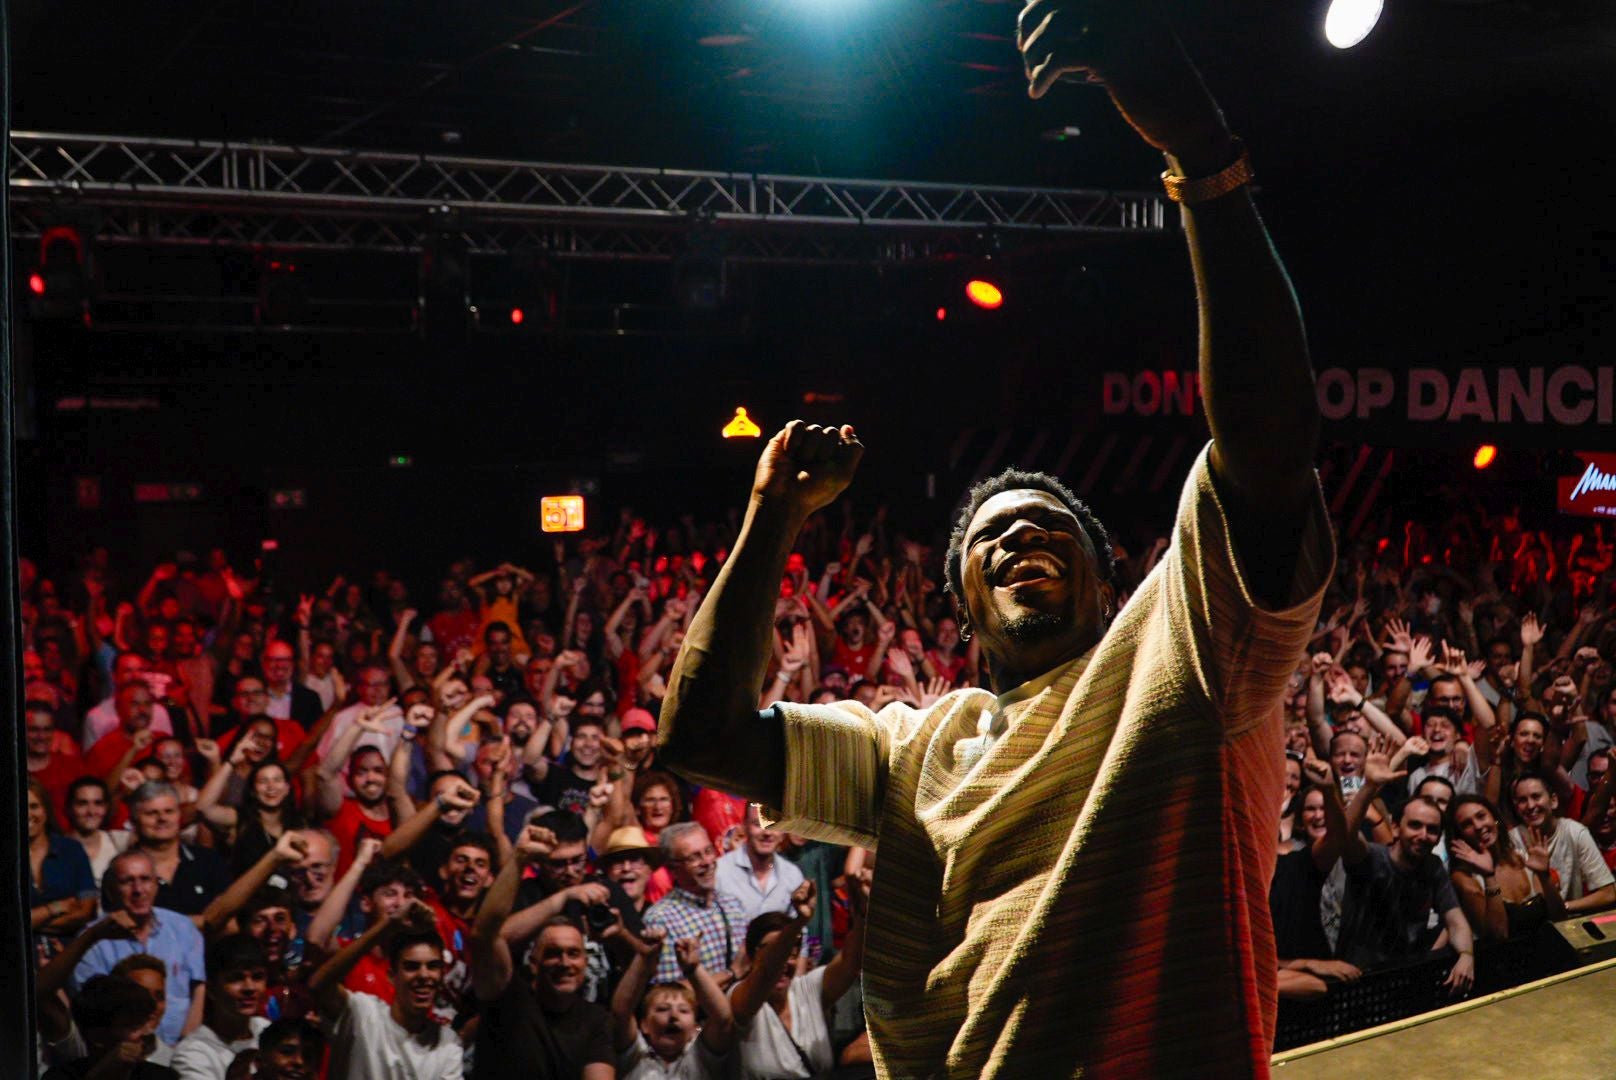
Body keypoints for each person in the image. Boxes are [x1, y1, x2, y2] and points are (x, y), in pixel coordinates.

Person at [658, 8, 1332, 1072]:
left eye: (1051, 526)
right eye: (989, 536)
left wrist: (1200, 157)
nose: (1020, 530)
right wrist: (771, 516)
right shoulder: (908, 748)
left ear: (1115, 580)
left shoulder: (1187, 656)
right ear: (961, 607)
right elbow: (698, 737)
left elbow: (1269, 440)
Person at [470, 825, 615, 1080]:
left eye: (573, 953)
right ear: (533, 963)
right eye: (552, 954)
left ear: (586, 963)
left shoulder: (595, 1019)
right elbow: (485, 935)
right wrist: (519, 859)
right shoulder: (508, 999)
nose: (564, 962)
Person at [307, 901, 463, 1080]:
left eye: (433, 966)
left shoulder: (447, 1044)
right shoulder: (362, 1014)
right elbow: (319, 985)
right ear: (392, 976)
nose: (424, 975)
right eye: (412, 967)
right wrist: (389, 924)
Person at [729, 878, 867, 1079]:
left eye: (791, 954)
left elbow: (850, 960)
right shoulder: (739, 996)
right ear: (751, 957)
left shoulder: (806, 988)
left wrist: (863, 913)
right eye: (771, 951)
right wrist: (799, 923)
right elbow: (768, 972)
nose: (783, 963)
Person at [74, 852, 207, 1050]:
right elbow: (94, 1009)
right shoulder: (92, 939)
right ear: (111, 891)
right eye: (127, 881)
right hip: (122, 1052)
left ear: (156, 884)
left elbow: (198, 991)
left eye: (145, 879)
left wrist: (186, 1045)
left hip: (182, 1048)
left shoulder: (183, 927)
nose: (138, 890)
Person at [610, 926, 735, 1080]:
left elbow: (722, 1018)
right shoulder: (634, 1057)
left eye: (683, 1010)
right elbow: (621, 1013)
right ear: (644, 1025)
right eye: (662, 1009)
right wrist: (643, 957)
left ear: (696, 1027)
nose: (674, 1016)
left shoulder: (703, 1058)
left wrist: (693, 969)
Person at [1447, 794, 1566, 940]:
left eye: (1481, 816)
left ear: (1494, 819)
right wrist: (1489, 876)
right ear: (1460, 836)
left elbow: (1559, 917)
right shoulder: (1463, 878)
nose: (1478, 826)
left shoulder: (1521, 857)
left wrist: (1544, 875)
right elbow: (1499, 935)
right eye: (1467, 824)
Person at [643, 823, 747, 988]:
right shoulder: (661, 918)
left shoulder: (732, 905)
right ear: (673, 869)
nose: (706, 862)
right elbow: (671, 994)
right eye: (694, 857)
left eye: (708, 851)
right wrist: (731, 974)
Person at [1508, 772, 1616, 913]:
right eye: (1522, 800)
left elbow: (1608, 894)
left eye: (1536, 796)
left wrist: (1563, 907)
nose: (1530, 805)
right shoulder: (1511, 840)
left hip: (1569, 925)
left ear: (1553, 801)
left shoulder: (1574, 832)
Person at [170, 935, 270, 1080]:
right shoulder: (193, 1053)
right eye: (236, 978)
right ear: (211, 989)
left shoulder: (266, 1030)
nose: (249, 987)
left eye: (257, 977)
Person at [43, 974, 179, 1080]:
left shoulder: (163, 1077)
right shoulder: (60, 1076)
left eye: (144, 1024)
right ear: (97, 1036)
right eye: (133, 1026)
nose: (146, 1034)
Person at [29, 777, 100, 958]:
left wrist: (32, 921)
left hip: (69, 952)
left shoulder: (71, 850)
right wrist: (54, 908)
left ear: (45, 810)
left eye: (34, 806)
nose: (27, 813)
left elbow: (86, 910)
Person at [715, 804, 805, 926]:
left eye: (774, 826)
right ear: (745, 826)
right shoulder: (720, 872)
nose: (767, 832)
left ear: (784, 831)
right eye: (758, 824)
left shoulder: (792, 875)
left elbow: (798, 930)